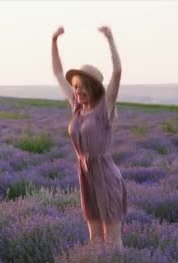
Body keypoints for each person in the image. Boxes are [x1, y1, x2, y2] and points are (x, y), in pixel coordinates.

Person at [51, 26, 128, 247]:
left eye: (84, 87)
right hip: (85, 175)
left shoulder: (104, 108)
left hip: (105, 174)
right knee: (94, 237)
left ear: (94, 89)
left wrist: (110, 39)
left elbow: (117, 73)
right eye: (76, 87)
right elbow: (58, 72)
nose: (78, 91)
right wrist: (54, 41)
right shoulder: (77, 106)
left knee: (112, 239)